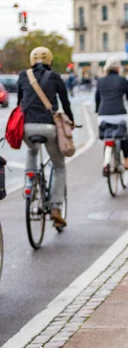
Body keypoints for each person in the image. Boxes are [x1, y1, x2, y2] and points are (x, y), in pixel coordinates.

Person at [17, 47, 75, 228]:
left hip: (27, 127)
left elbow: (20, 102)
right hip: (50, 127)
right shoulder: (55, 77)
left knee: (32, 152)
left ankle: (30, 180)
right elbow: (65, 102)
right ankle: (56, 207)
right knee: (59, 166)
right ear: (49, 60)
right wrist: (71, 121)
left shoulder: (23, 75)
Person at [95, 58, 128, 171]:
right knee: (124, 136)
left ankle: (106, 162)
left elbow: (97, 99)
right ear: (118, 69)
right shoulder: (123, 81)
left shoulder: (100, 81)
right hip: (119, 115)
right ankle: (127, 160)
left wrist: (97, 110)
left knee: (108, 136)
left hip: (103, 115)